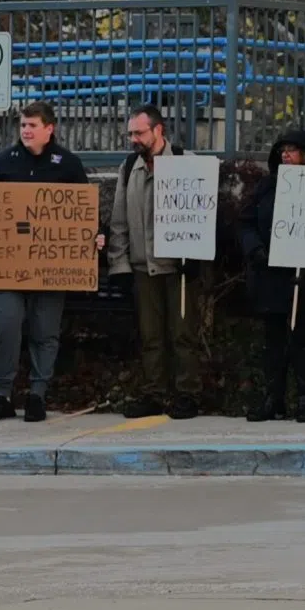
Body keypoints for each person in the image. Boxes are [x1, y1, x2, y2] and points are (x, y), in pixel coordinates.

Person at [0, 101, 92, 422]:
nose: (26, 131)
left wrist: (93, 236)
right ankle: (2, 395)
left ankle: (36, 395)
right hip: (6, 267)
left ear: (49, 128)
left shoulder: (68, 165)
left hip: (50, 267)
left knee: (45, 331)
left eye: (32, 125)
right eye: (23, 126)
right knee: (6, 325)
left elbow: (83, 214)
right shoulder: (5, 162)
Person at [240, 127, 305, 424]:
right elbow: (246, 223)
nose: (285, 155)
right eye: (282, 150)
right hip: (270, 277)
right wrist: (256, 251)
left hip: (304, 279)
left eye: (291, 150)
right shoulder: (267, 187)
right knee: (273, 340)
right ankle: (273, 398)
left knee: (302, 339)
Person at [105, 104, 187, 419]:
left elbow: (202, 216)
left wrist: (195, 259)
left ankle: (186, 394)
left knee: (182, 334)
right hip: (143, 266)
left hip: (178, 267)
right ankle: (155, 393)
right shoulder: (129, 167)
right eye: (130, 133)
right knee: (151, 336)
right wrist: (120, 265)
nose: (133, 139)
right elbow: (119, 221)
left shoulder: (184, 163)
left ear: (158, 130)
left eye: (139, 132)